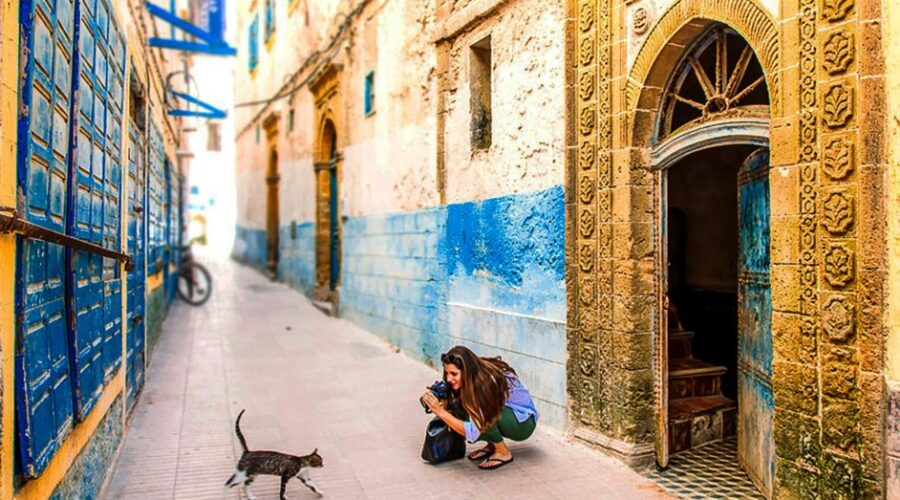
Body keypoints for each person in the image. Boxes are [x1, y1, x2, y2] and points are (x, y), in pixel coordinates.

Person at [420, 345, 539, 470]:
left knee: (483, 412)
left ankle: (502, 452)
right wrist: (443, 401)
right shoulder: (474, 374)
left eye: (454, 374)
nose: (449, 379)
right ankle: (492, 445)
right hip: (506, 412)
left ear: (466, 371)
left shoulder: (484, 384)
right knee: (460, 406)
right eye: (447, 373)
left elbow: (472, 432)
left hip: (523, 422)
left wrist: (441, 413)